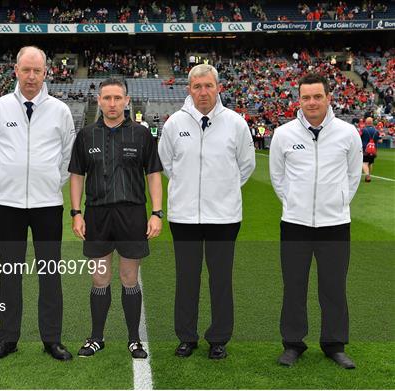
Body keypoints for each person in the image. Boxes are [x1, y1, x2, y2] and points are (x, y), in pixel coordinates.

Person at [0, 46, 76, 361]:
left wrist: (50, 183)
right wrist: (6, 184)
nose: (32, 76)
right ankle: (8, 339)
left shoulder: (60, 111)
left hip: (47, 204)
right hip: (8, 206)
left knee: (50, 272)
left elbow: (67, 156)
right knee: (10, 272)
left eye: (37, 71)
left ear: (46, 72)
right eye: (26, 70)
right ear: (16, 70)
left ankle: (52, 340)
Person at [158, 64, 255, 360]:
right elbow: (167, 164)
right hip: (184, 217)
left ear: (218, 87)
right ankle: (186, 337)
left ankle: (218, 338)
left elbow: (246, 165)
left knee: (221, 279)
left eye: (208, 86)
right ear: (189, 89)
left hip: (224, 217)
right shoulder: (175, 123)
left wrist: (222, 190)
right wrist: (189, 189)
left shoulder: (235, 123)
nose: (203, 92)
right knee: (186, 278)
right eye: (197, 86)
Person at [269, 73, 362, 369]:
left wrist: (338, 202)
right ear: (299, 99)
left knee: (333, 287)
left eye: (317, 96)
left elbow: (353, 175)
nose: (312, 102)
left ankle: (334, 344)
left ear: (328, 98)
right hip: (295, 223)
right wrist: (294, 203)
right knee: (294, 286)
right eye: (306, 97)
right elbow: (278, 177)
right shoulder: (284, 134)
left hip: (334, 223)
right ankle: (293, 344)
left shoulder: (347, 133)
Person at [68, 78, 163, 359]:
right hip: (97, 213)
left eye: (117, 98)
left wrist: (157, 213)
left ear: (126, 100)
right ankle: (97, 337)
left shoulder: (142, 134)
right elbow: (77, 176)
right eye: (107, 98)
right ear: (99, 100)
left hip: (132, 213)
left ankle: (134, 339)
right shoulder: (86, 135)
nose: (112, 103)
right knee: (100, 278)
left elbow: (153, 174)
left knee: (128, 276)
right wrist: (76, 213)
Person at [360, 117, 382, 182]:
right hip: (373, 150)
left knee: (364, 163)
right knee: (370, 163)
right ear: (372, 123)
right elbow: (380, 141)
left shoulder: (363, 130)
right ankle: (369, 175)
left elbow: (358, 138)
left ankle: (367, 175)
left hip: (365, 150)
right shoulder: (376, 131)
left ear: (366, 122)